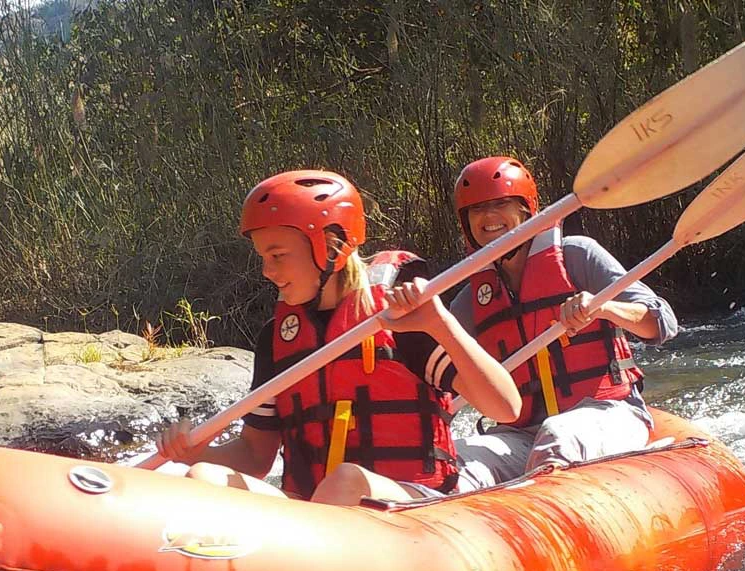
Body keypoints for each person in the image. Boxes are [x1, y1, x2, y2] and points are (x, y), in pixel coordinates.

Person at [156, 169, 522, 504]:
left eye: (278, 255)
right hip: (316, 516)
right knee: (203, 478)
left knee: (346, 482)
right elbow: (255, 456)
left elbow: (506, 407)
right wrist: (196, 452)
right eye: (262, 257)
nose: (267, 270)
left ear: (331, 247)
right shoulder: (277, 339)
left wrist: (441, 325)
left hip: (410, 504)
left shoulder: (400, 320)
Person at [448, 156, 679, 487]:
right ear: (466, 222)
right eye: (477, 209)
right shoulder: (470, 301)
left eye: (501, 204)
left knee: (557, 434)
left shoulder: (577, 256)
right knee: (457, 458)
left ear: (526, 210)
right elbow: (442, 385)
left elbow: (662, 322)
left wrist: (602, 307)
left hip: (609, 413)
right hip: (519, 435)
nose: (488, 216)